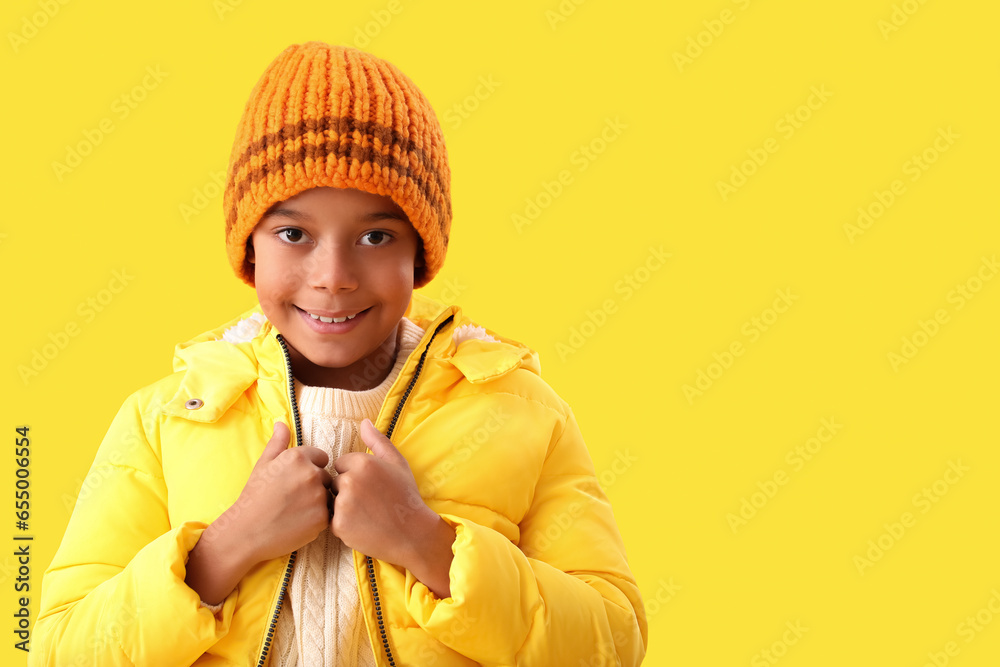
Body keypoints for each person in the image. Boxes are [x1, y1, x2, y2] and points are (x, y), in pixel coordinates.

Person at [31, 42, 647, 666]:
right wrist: (226, 547)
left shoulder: (522, 414)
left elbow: (612, 643)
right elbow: (58, 650)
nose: (334, 277)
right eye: (293, 233)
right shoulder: (164, 422)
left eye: (376, 236)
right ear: (250, 249)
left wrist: (427, 542)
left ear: (419, 255)